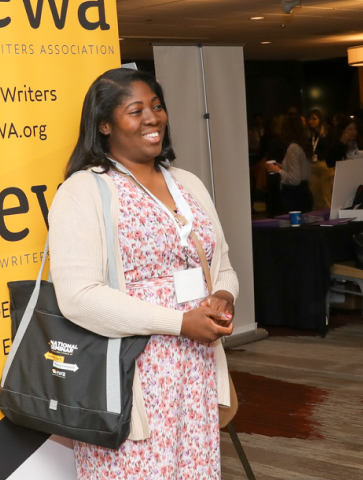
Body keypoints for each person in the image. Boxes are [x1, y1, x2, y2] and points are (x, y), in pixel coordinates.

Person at [49, 68, 238, 479]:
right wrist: (178, 322)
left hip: (196, 368)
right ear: (104, 124)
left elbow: (222, 263)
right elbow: (78, 296)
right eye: (136, 110)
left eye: (156, 106)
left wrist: (224, 295)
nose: (152, 118)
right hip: (131, 376)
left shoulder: (187, 183)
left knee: (196, 470)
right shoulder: (83, 191)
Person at [265, 113, 313, 213]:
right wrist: (283, 166)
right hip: (304, 191)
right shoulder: (302, 145)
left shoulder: (293, 148)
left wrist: (278, 170)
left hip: (294, 196)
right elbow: (301, 168)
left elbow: (294, 179)